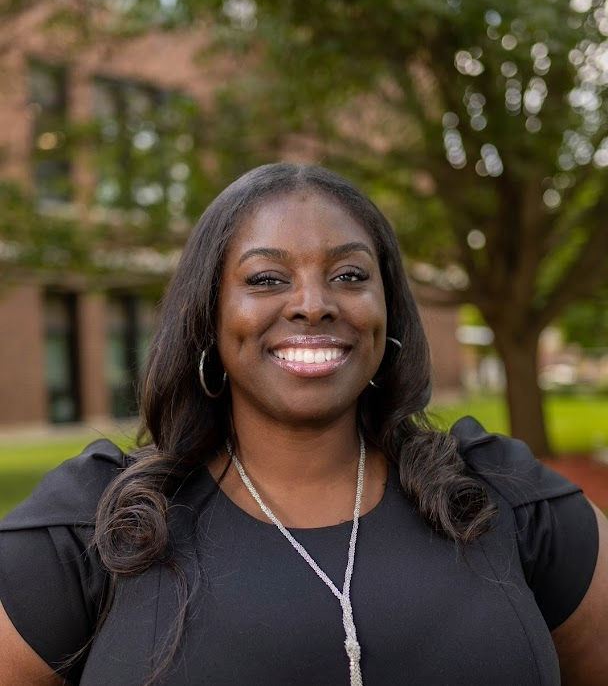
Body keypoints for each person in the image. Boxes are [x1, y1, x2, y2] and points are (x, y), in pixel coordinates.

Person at [0, 162, 606, 686]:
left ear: (387, 307)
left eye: (349, 275)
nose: (313, 303)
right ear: (208, 316)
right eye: (267, 278)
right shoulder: (92, 528)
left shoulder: (508, 501)